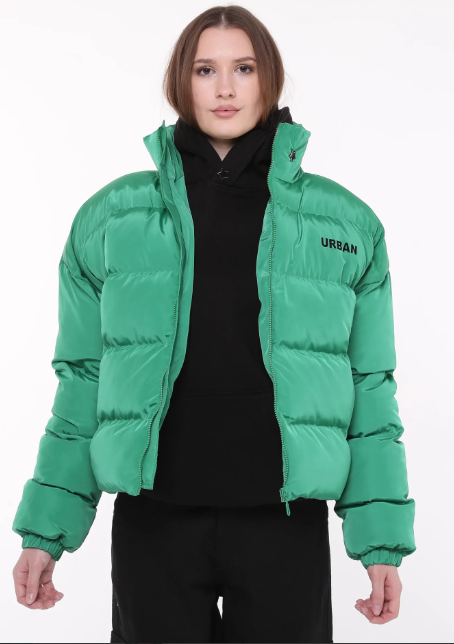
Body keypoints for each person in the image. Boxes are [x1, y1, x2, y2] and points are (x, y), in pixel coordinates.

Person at [11, 5, 416, 643]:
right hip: (155, 521)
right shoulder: (111, 219)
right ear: (182, 81)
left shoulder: (345, 225)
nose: (225, 87)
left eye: (243, 68)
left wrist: (380, 543)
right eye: (205, 69)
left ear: (268, 79)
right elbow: (83, 379)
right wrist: (46, 532)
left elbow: (371, 386)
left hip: (285, 522)